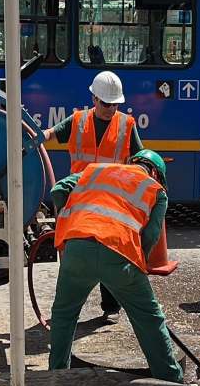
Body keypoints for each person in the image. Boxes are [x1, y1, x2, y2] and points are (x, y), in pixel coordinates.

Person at [47, 150, 184, 383]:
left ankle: (56, 375)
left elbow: (58, 190)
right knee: (148, 319)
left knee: (63, 316)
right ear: (155, 172)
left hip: (76, 251)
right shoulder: (155, 190)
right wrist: (141, 264)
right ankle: (171, 380)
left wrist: (67, 223)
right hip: (119, 257)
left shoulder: (94, 170)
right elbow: (151, 236)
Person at [41, 70, 143, 320]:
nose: (111, 109)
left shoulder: (126, 124)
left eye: (115, 104)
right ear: (94, 99)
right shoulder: (78, 120)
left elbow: (139, 156)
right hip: (81, 200)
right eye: (106, 103)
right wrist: (39, 136)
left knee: (110, 250)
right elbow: (53, 133)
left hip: (111, 200)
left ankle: (111, 308)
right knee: (73, 256)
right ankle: (66, 310)